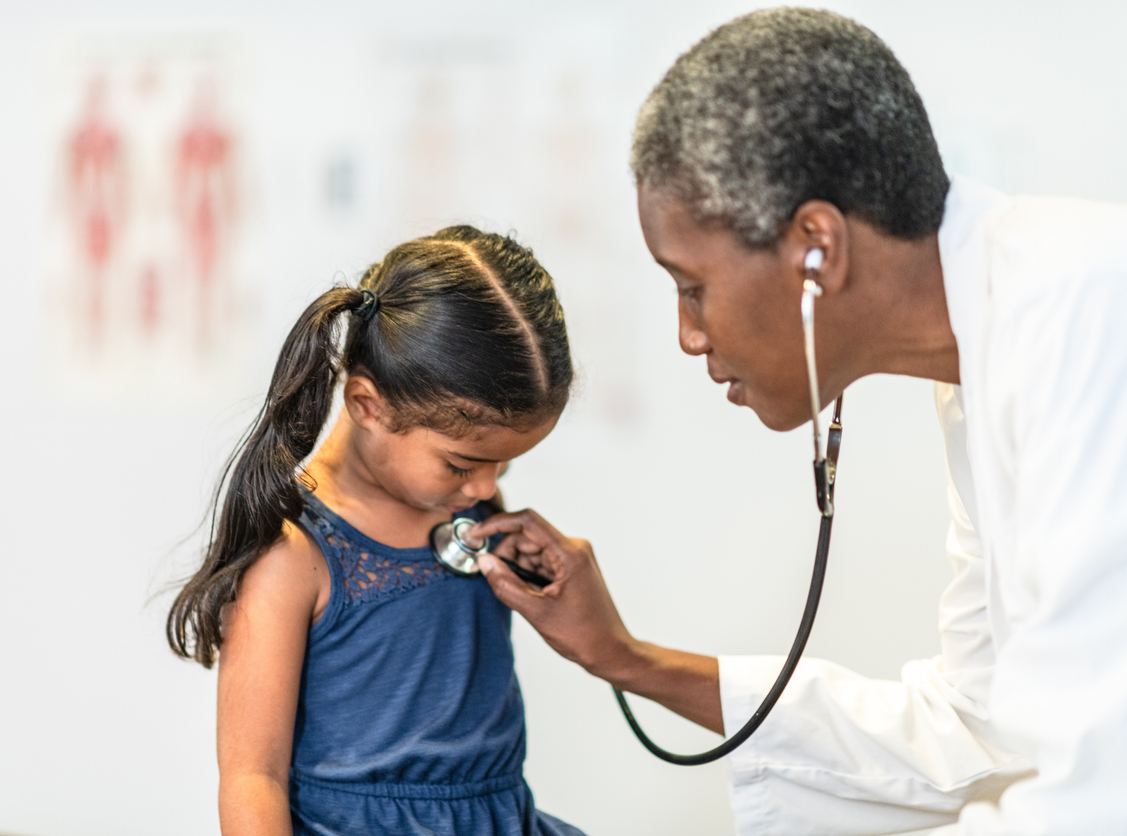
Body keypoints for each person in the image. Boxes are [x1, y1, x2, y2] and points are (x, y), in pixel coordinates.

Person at [470, 8, 1127, 835]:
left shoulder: (1090, 322)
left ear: (817, 249)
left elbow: (1096, 796)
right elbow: (968, 729)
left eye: (692, 285)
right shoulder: (986, 370)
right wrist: (624, 659)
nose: (689, 336)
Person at [166, 226, 585, 836]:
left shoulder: (467, 507)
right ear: (367, 405)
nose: (483, 487)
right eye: (462, 463)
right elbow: (253, 776)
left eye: (504, 464)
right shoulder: (293, 554)